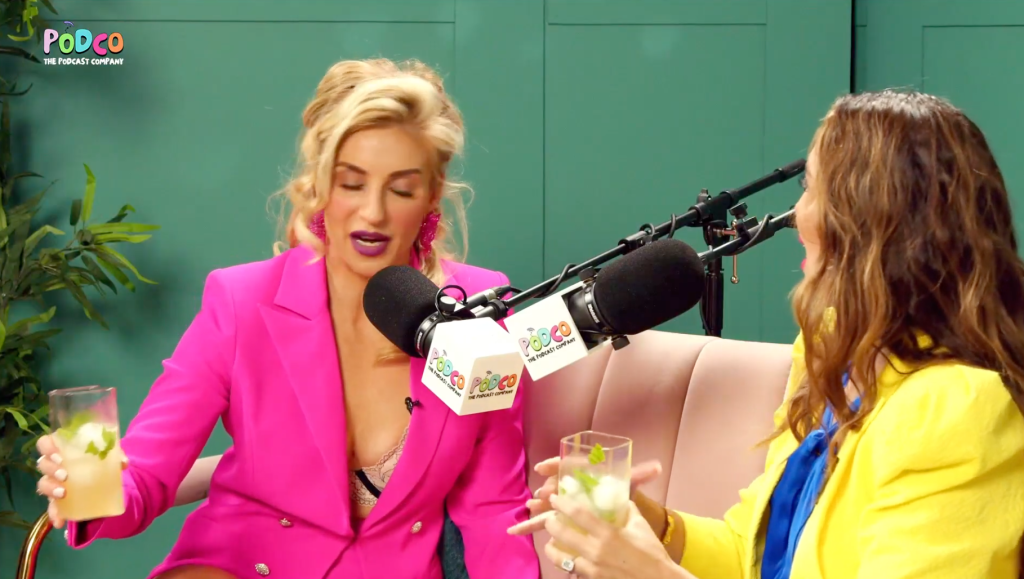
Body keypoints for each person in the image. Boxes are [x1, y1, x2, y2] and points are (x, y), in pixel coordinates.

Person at [35, 57, 540, 579]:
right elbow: (145, 476)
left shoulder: (476, 311)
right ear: (319, 184)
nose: (373, 212)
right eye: (351, 183)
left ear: (431, 195)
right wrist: (87, 490)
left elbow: (492, 509)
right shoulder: (241, 300)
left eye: (400, 189)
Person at [509, 89, 1024, 579]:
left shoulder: (958, 411)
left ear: (875, 223)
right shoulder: (832, 354)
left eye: (813, 189)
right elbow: (755, 555)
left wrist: (650, 571)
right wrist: (651, 525)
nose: (797, 216)